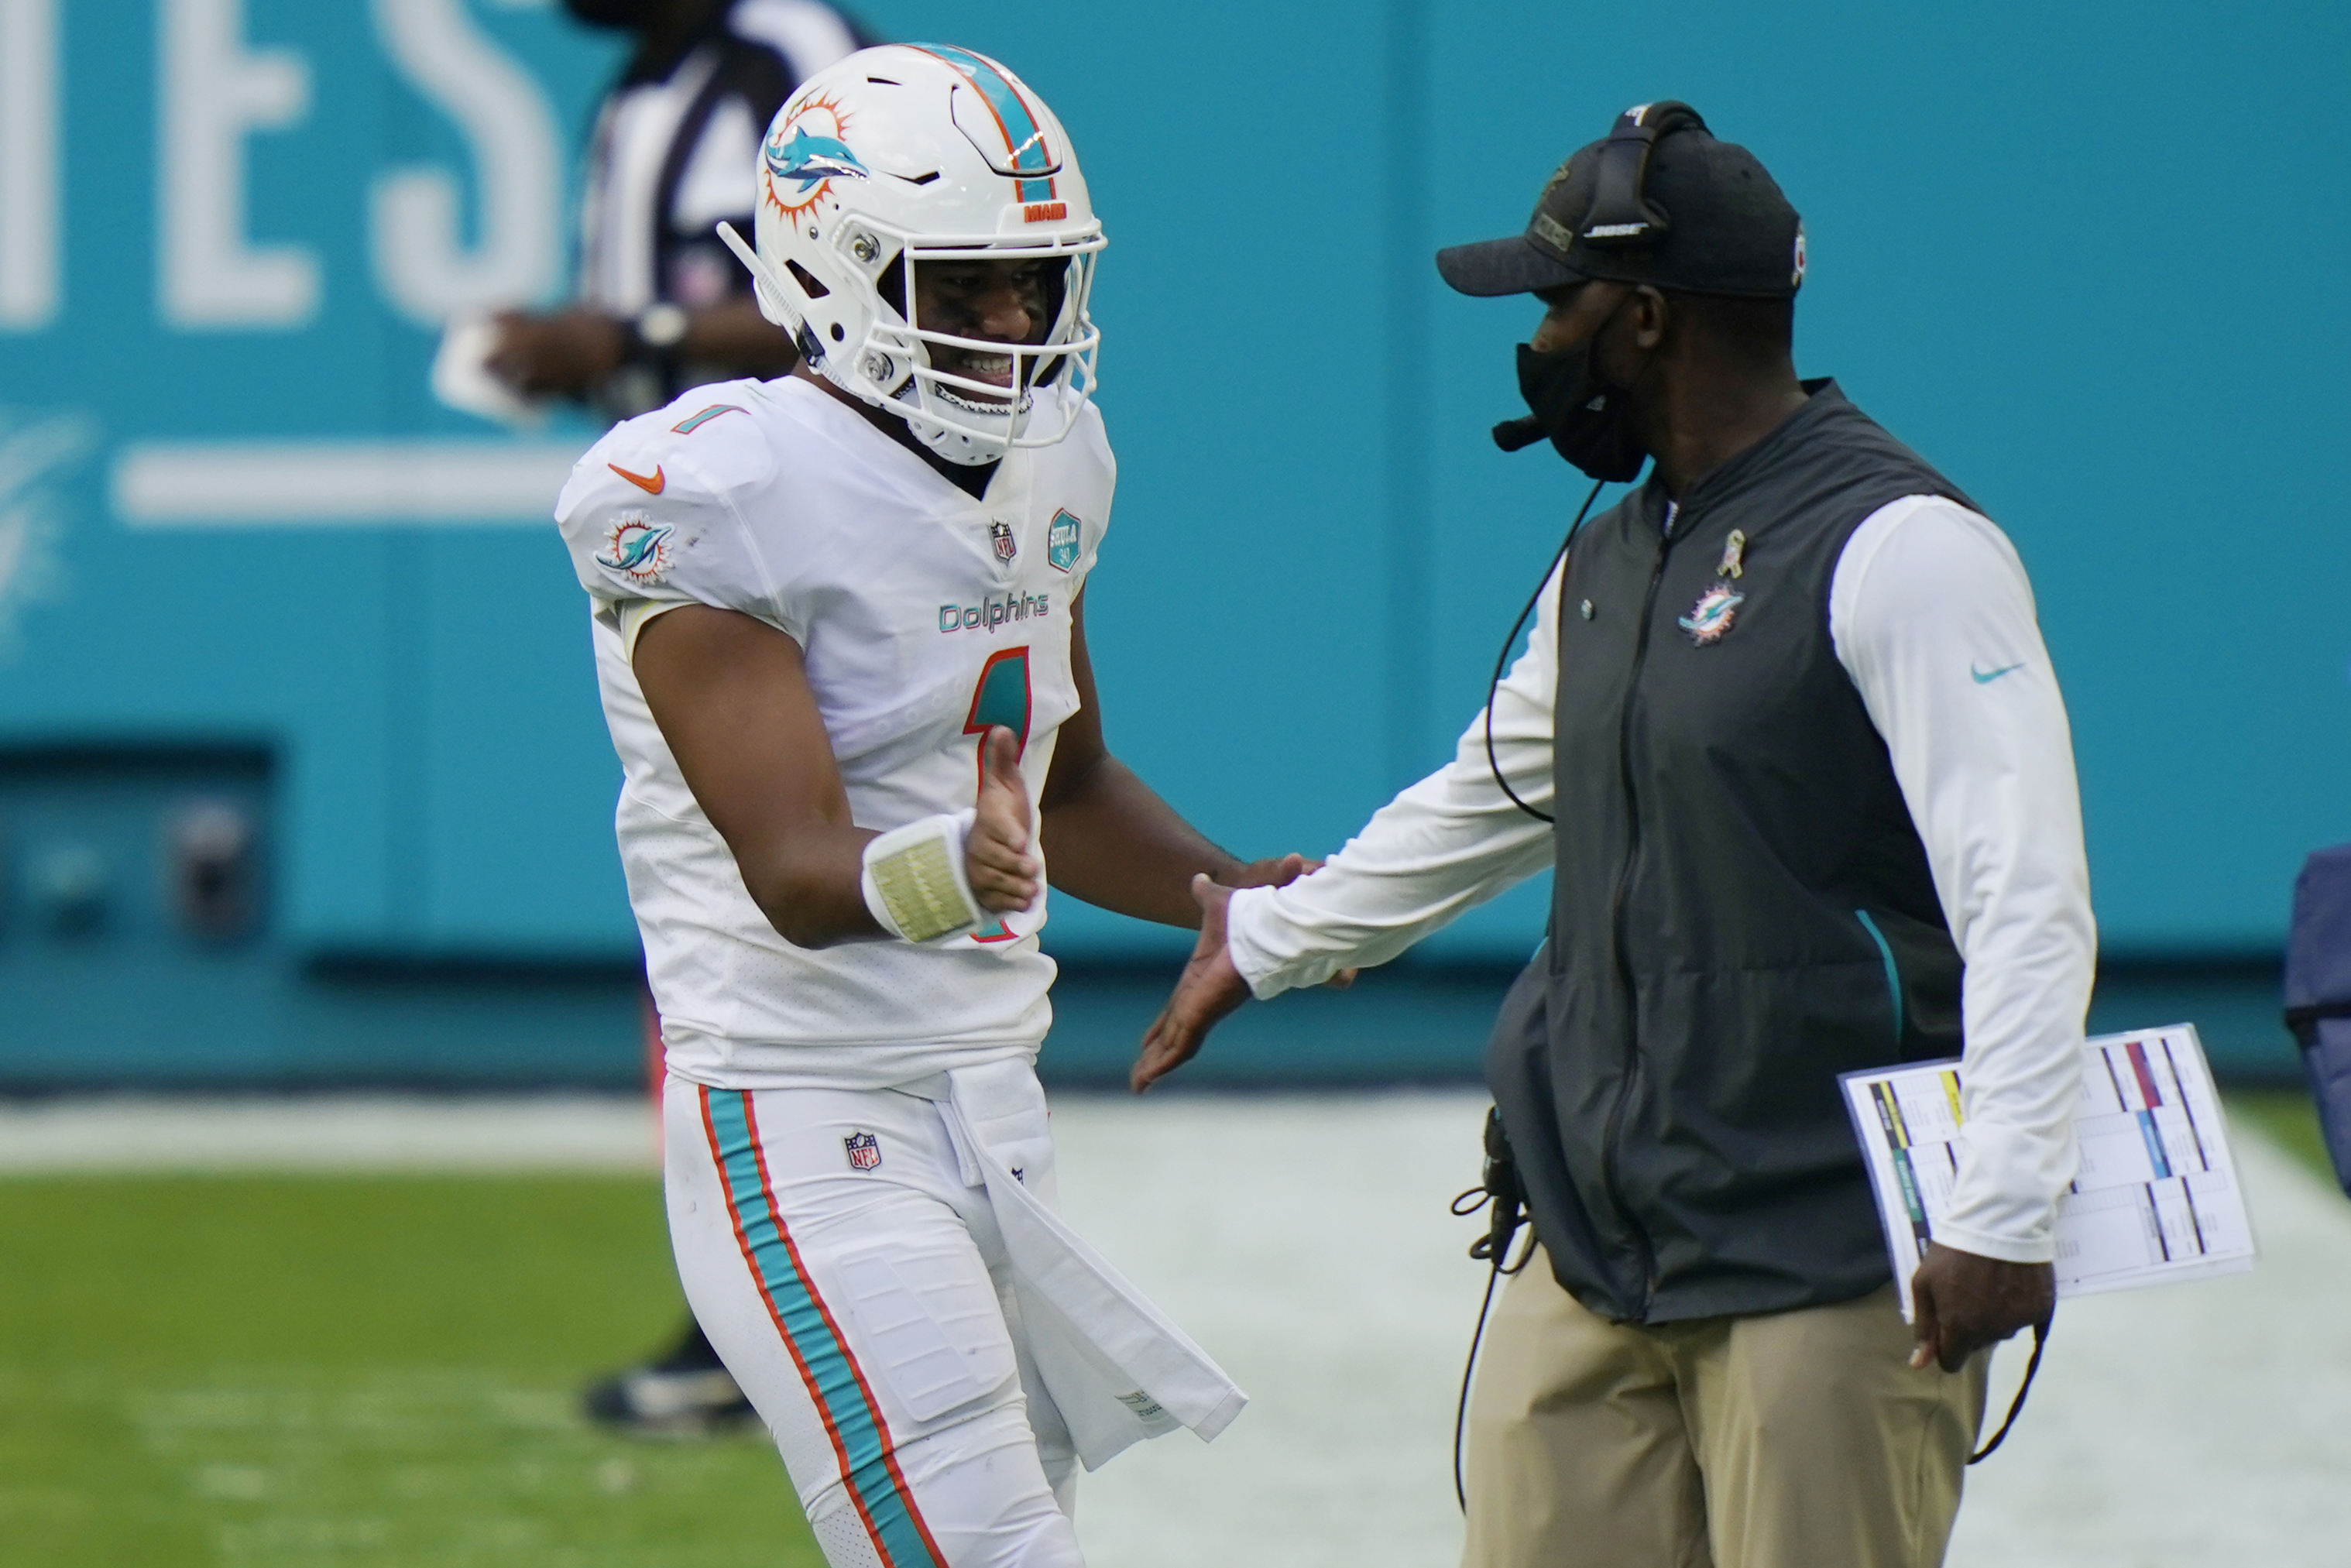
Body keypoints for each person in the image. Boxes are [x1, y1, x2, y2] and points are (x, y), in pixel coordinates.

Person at [1131, 101, 2096, 1568]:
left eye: (1557, 299)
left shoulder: (1906, 549)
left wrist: (2008, 1204)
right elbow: (1495, 794)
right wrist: (1267, 939)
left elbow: (2024, 895)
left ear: (1643, 320)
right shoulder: (1616, 547)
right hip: (1594, 1241)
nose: (1538, 335)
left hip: (1823, 1253)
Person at [555, 45, 1302, 1566]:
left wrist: (1224, 894)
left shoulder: (1059, 455)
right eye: (961, 287)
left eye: (1032, 284)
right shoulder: (711, 485)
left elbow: (1069, 783)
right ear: (836, 274)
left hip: (996, 1109)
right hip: (802, 1109)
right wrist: (963, 864)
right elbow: (799, 873)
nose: (1012, 325)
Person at [488, 0, 870, 1436]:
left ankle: (785, 1311)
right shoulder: (640, 86)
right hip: (691, 560)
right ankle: (751, 1303)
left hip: (805, 550)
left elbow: (856, 296)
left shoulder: (788, 52)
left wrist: (630, 331)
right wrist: (599, 356)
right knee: (705, 927)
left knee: (793, 913)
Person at [489, 0, 873, 420]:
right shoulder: (641, 87)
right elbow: (630, 318)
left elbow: (870, 300)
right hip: (668, 473)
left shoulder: (789, 49)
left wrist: (635, 340)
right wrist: (557, 350)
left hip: (795, 468)